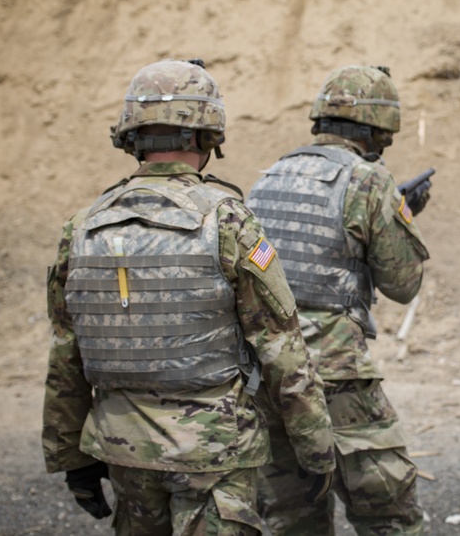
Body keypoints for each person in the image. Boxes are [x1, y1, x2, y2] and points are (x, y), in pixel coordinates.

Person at [42, 59, 336, 535]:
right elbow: (281, 346)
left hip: (123, 450)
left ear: (130, 136)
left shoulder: (82, 227)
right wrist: (315, 447)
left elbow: (66, 355)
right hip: (214, 453)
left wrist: (69, 456)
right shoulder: (227, 220)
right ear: (207, 136)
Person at [246, 65, 431, 535]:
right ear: (375, 130)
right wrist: (402, 215)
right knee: (387, 509)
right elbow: (403, 284)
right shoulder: (368, 180)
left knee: (293, 516)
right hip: (335, 375)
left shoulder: (267, 178)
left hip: (268, 372)